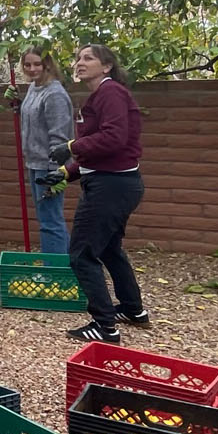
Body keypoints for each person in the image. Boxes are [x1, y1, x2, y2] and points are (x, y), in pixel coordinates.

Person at [38, 43, 147, 344]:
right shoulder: (103, 95)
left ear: (107, 66)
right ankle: (132, 309)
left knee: (82, 255)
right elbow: (101, 152)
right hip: (118, 183)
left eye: (88, 58)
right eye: (77, 58)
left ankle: (105, 326)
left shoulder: (110, 92)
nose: (80, 63)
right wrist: (64, 173)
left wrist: (71, 147)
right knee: (110, 250)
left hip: (110, 187)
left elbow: (113, 137)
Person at [18, 47, 75, 254]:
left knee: (50, 220)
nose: (32, 69)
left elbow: (59, 137)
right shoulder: (34, 88)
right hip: (34, 162)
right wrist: (18, 105)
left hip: (49, 167)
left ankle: (57, 273)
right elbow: (34, 121)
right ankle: (64, 266)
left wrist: (56, 173)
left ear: (47, 64)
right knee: (46, 218)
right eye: (27, 64)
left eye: (37, 64)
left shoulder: (55, 94)